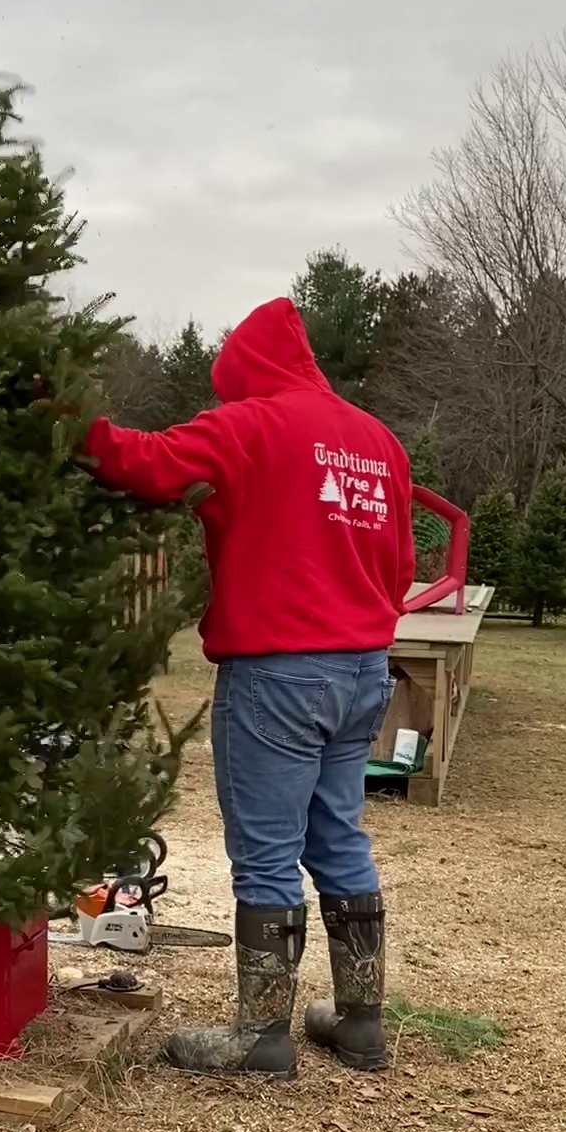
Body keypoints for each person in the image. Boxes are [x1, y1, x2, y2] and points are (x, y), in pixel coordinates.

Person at [82, 297, 414, 1079]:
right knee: (339, 835)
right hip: (364, 667)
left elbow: (144, 461)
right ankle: (361, 1023)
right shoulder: (379, 441)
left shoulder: (248, 425)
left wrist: (66, 420)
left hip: (277, 673)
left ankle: (260, 1035)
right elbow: (400, 567)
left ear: (245, 375)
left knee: (266, 851)